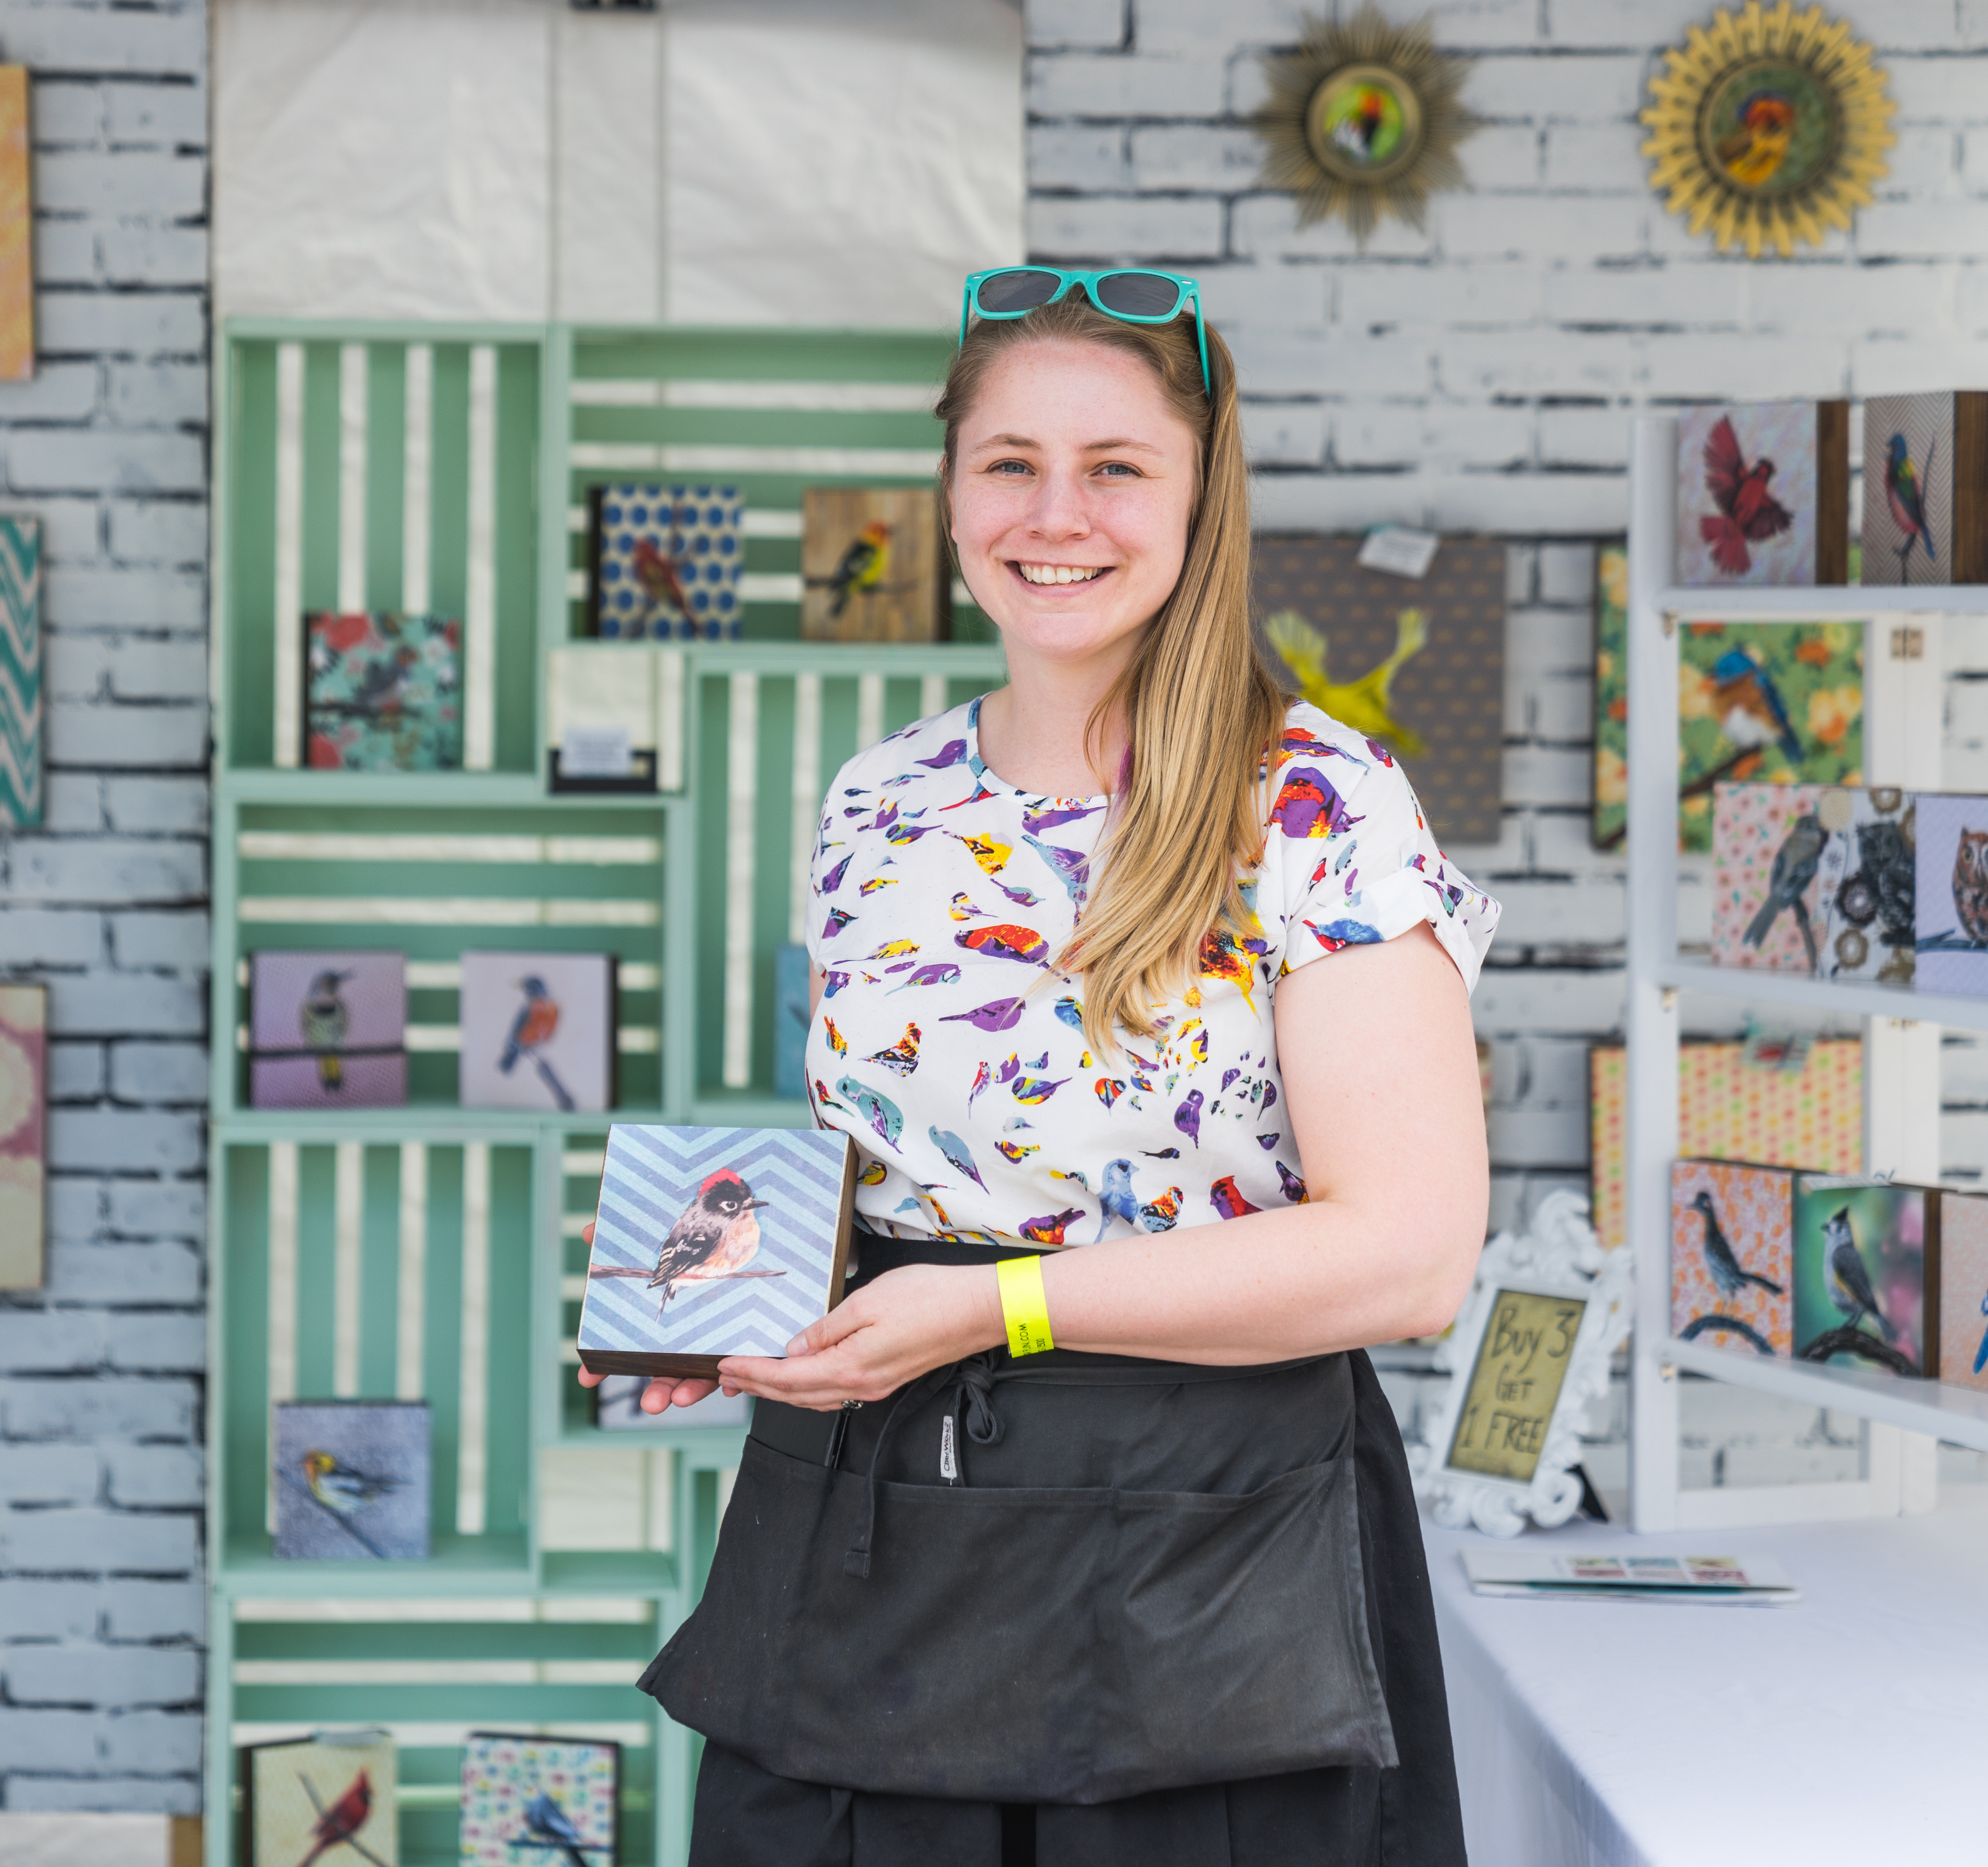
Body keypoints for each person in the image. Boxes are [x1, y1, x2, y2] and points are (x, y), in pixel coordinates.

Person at [581, 270, 1497, 1866]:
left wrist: (998, 1304)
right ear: (947, 494)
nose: (1054, 514)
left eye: (1117, 467)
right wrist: (723, 1297)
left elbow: (1411, 1257)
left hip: (1205, 1579)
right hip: (869, 1553)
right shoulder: (880, 798)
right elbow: (902, 1180)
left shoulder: (1319, 805)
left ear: (1203, 496)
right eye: (1009, 462)